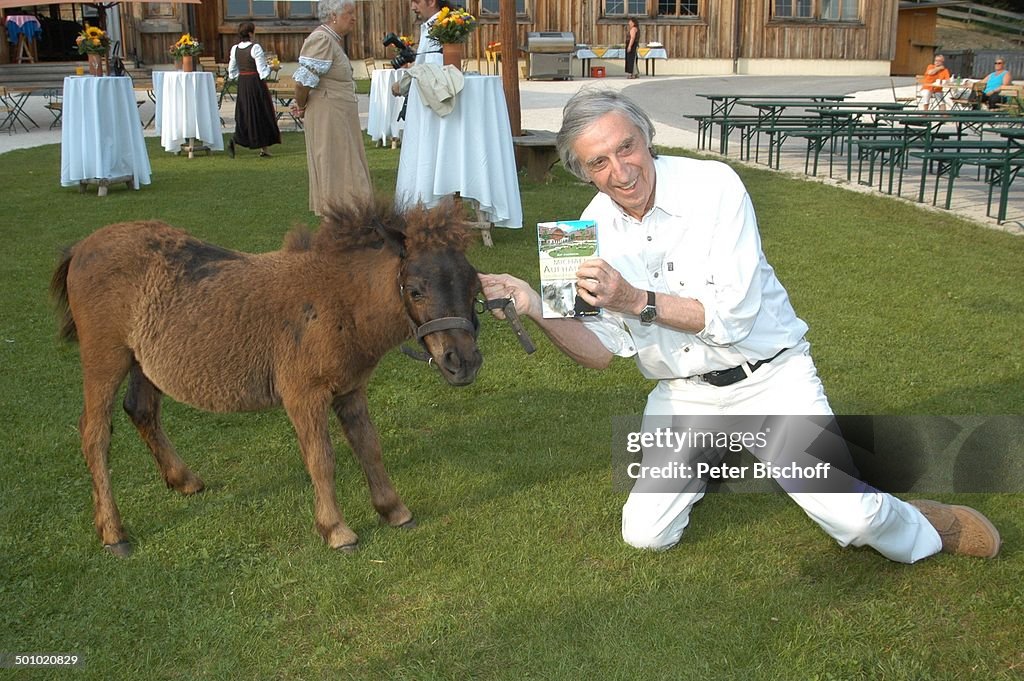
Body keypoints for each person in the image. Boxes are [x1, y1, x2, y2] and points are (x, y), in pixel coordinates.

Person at [480, 89, 1001, 563]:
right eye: (599, 162)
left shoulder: (714, 185)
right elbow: (597, 353)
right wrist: (532, 303)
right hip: (683, 393)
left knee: (854, 517)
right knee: (645, 534)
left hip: (771, 376)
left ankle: (927, 525)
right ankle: (711, 459)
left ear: (647, 138)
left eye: (627, 147)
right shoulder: (575, 236)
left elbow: (731, 318)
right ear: (582, 171)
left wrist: (634, 299)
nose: (621, 171)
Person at [291, 0, 372, 216]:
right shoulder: (321, 39)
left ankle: (350, 217)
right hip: (328, 113)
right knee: (336, 166)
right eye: (349, 13)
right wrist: (300, 104)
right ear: (333, 16)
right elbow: (303, 81)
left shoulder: (332, 40)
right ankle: (340, 218)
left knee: (346, 165)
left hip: (338, 113)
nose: (354, 17)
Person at [226, 22, 281, 158]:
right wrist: (273, 68)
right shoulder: (255, 48)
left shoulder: (235, 49)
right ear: (250, 33)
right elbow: (262, 72)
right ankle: (264, 148)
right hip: (255, 84)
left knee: (245, 114)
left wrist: (242, 73)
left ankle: (238, 141)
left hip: (243, 84)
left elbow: (231, 71)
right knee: (261, 113)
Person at [411, 0, 451, 65]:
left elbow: (433, 68)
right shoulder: (430, 26)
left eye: (417, 2)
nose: (412, 7)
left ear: (431, 2)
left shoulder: (439, 29)